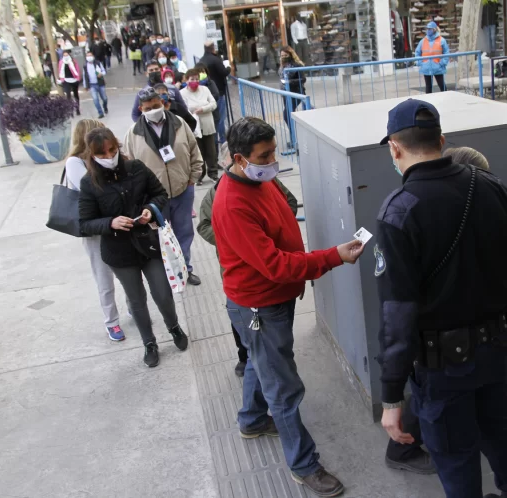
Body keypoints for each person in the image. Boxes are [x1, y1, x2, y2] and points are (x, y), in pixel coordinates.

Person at [376, 99, 507, 498]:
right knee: (498, 428)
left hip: (443, 366)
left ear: (395, 148)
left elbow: (397, 316)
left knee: (454, 453)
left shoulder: (399, 212)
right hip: (495, 349)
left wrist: (391, 395)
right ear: (442, 140)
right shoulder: (489, 185)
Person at [212, 117, 365, 497]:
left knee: (258, 361)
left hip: (266, 305)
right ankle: (303, 464)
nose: (272, 161)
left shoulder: (257, 180)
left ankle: (251, 420)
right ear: (239, 158)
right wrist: (332, 257)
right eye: (264, 156)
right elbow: (276, 265)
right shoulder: (233, 203)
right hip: (259, 307)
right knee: (283, 388)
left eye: (274, 151)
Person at [78, 127, 189, 368]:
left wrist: (150, 209)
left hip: (148, 243)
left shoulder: (136, 168)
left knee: (162, 292)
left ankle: (174, 326)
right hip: (119, 251)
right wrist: (110, 222)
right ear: (92, 155)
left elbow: (160, 194)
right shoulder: (89, 183)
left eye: (112, 150)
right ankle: (149, 343)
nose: (109, 157)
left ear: (118, 146)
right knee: (136, 299)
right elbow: (84, 223)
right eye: (102, 154)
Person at [197, 149, 298, 377]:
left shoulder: (268, 183)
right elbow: (203, 226)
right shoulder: (218, 194)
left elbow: (289, 203)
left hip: (272, 268)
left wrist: (270, 232)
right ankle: (244, 357)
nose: (271, 162)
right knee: (243, 321)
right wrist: (237, 239)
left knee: (272, 337)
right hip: (240, 274)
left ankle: (254, 392)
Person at [123, 87, 203, 286]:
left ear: (163, 103)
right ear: (141, 109)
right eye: (148, 108)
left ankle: (185, 270)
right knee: (160, 237)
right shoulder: (133, 134)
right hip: (154, 198)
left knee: (184, 232)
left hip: (182, 190)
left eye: (156, 106)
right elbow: (130, 167)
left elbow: (194, 151)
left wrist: (192, 178)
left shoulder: (179, 123)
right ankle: (168, 274)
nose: (153, 110)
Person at [65, 119, 125, 342]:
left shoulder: (108, 159)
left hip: (116, 221)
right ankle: (112, 321)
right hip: (93, 228)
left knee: (126, 269)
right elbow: (91, 189)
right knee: (104, 277)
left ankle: (132, 307)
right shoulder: (74, 163)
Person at [180, 68, 218, 184]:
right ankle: (199, 176)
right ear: (186, 80)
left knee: (211, 151)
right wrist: (195, 109)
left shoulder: (205, 90)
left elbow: (213, 104)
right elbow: (184, 108)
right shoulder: (182, 93)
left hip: (207, 124)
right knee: (198, 152)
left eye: (197, 79)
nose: (195, 81)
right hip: (194, 127)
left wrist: (203, 108)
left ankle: (213, 173)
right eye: (192, 79)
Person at [200, 40, 231, 143]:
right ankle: (222, 138)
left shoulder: (201, 60)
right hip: (219, 91)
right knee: (221, 117)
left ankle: (214, 139)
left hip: (207, 93)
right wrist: (229, 68)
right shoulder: (216, 60)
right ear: (213, 48)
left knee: (214, 117)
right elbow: (223, 72)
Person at [415, 21, 449, 93]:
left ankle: (447, 100)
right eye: (427, 29)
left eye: (430, 29)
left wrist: (442, 63)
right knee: (428, 87)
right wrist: (420, 63)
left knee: (442, 86)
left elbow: (446, 53)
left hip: (438, 67)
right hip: (426, 67)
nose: (428, 30)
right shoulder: (423, 41)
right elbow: (417, 52)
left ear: (434, 29)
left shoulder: (441, 40)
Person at [278, 46, 307, 129]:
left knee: (286, 115)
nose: (283, 57)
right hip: (285, 93)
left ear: (290, 55)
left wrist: (289, 82)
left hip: (296, 92)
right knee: (289, 115)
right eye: (282, 55)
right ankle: (294, 137)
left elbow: (303, 79)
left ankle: (295, 136)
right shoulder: (282, 65)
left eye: (285, 55)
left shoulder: (296, 65)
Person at [82, 50, 109, 118]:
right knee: (95, 99)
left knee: (104, 98)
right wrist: (85, 85)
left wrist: (101, 74)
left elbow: (104, 71)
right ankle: (100, 112)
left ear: (93, 56)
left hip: (100, 83)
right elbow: (84, 76)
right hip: (92, 85)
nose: (89, 57)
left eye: (90, 55)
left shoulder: (98, 63)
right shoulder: (85, 66)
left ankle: (105, 107)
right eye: (88, 56)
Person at [58, 50, 81, 114]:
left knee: (76, 94)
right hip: (66, 80)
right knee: (68, 95)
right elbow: (60, 71)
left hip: (74, 80)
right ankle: (70, 109)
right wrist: (61, 80)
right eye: (64, 55)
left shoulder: (73, 61)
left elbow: (77, 70)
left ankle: (77, 109)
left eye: (66, 55)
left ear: (69, 55)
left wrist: (78, 79)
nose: (65, 56)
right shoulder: (61, 62)